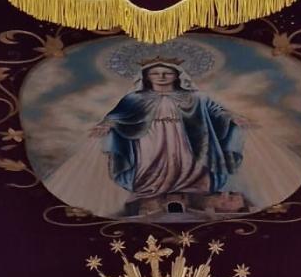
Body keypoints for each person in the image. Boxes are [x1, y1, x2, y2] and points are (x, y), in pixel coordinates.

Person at [90, 62, 245, 205]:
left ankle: (192, 188)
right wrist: (106, 124)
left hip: (186, 139)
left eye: (167, 73)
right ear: (146, 77)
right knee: (147, 164)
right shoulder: (133, 98)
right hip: (148, 139)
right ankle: (149, 190)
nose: (161, 77)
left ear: (177, 76)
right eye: (155, 73)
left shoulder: (196, 97)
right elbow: (117, 116)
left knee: (188, 163)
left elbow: (216, 111)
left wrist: (232, 117)